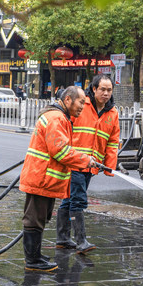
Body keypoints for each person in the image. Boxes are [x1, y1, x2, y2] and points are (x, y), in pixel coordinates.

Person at [19, 86, 93, 271]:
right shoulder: (57, 118)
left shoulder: (60, 117)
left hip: (44, 179)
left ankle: (35, 256)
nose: (82, 107)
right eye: (80, 102)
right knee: (34, 220)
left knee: (39, 219)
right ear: (68, 100)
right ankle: (32, 261)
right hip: (41, 178)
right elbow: (60, 151)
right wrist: (86, 160)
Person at [56, 74, 119, 254]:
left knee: (68, 199)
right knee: (78, 200)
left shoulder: (112, 112)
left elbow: (113, 141)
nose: (106, 94)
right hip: (75, 161)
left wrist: (109, 167)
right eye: (102, 90)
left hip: (92, 165)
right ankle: (81, 241)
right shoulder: (82, 105)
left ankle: (62, 238)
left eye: (109, 90)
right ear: (94, 89)